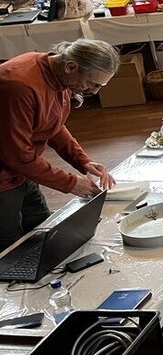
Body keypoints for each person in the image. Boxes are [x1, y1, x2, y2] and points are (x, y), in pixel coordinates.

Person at [0, 40, 119, 248]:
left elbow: (51, 124)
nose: (94, 91)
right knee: (8, 249)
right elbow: (17, 156)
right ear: (71, 66)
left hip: (22, 172)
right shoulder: (19, 85)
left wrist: (82, 161)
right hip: (5, 177)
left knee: (42, 233)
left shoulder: (59, 75)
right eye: (92, 84)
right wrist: (71, 183)